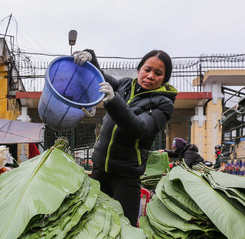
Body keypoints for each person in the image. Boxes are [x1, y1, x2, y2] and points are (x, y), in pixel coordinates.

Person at [73, 49, 177, 227]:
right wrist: (91, 57)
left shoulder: (163, 104)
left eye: (158, 73)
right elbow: (100, 77)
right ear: (139, 70)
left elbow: (139, 127)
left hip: (126, 175)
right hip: (100, 168)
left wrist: (114, 101)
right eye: (147, 69)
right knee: (93, 220)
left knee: (125, 225)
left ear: (164, 79)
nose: (150, 76)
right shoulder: (125, 85)